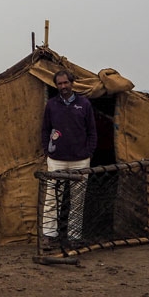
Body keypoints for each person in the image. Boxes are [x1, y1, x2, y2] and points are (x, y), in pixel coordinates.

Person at [40, 69, 97, 249]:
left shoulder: (84, 104)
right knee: (51, 198)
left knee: (77, 199)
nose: (63, 86)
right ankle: (49, 236)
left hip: (80, 159)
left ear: (72, 83)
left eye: (66, 83)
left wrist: (88, 151)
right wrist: (48, 151)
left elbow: (92, 131)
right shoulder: (51, 105)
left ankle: (73, 236)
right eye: (60, 84)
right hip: (56, 159)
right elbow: (45, 129)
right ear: (56, 86)